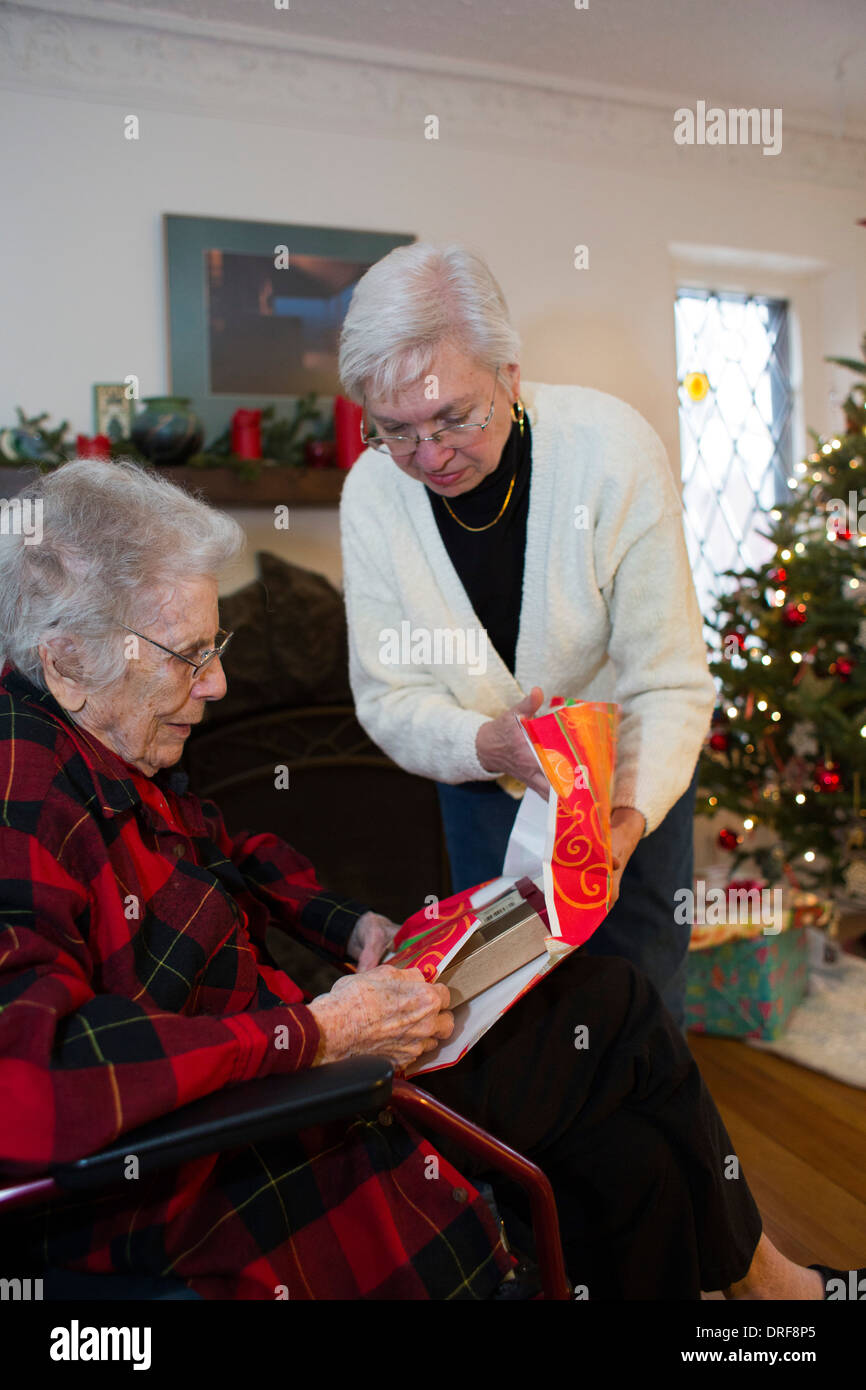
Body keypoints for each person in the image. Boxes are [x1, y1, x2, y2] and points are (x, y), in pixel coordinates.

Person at [0, 459, 840, 1300]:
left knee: (630, 1151)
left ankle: (754, 1299)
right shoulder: (20, 792)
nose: (216, 683)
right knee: (612, 1008)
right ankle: (772, 1293)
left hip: (280, 1077)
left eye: (214, 648)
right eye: (188, 657)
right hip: (236, 1152)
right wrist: (319, 1031)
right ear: (68, 660)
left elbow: (226, 847)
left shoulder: (100, 734)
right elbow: (28, 1081)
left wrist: (353, 926)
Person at [338, 242, 715, 1030]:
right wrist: (490, 747)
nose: (430, 456)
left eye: (453, 418)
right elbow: (387, 696)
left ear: (510, 375)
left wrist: (625, 819)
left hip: (629, 785)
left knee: (638, 1017)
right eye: (395, 430)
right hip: (487, 793)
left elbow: (669, 681)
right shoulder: (373, 493)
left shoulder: (610, 451)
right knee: (512, 1023)